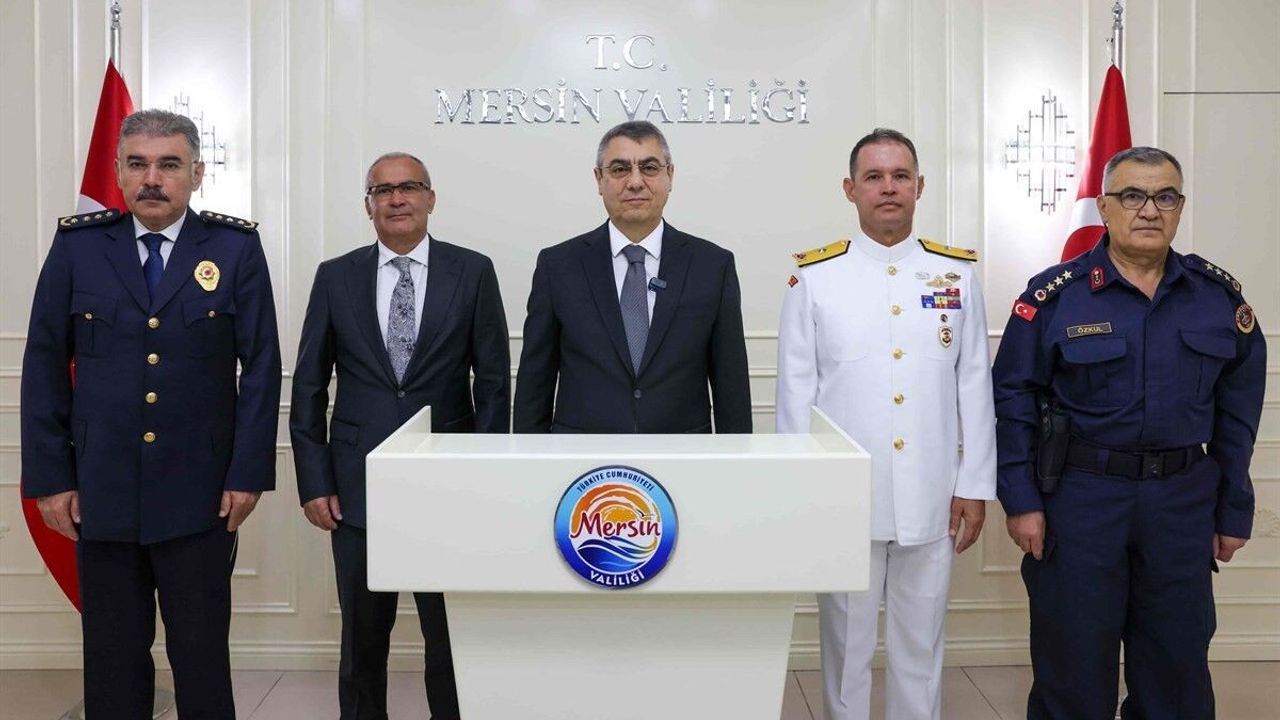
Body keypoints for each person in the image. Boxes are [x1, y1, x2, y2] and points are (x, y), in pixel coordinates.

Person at [20, 109, 281, 718]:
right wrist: (52, 478)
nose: (152, 179)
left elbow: (262, 368)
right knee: (112, 661)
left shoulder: (234, 248)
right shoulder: (79, 247)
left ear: (197, 173)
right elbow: (43, 364)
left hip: (200, 494)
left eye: (169, 165)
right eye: (137, 164)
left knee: (201, 657)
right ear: (117, 172)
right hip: (101, 491)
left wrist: (247, 474)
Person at [992, 146, 1266, 718]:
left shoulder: (1217, 299)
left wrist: (1233, 509)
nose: (1149, 210)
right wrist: (1022, 500)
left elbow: (1238, 416)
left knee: (1176, 670)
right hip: (1081, 502)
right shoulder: (1056, 296)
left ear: (1180, 207)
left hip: (1181, 504)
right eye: (1133, 195)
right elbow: (1014, 399)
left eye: (1165, 197)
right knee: (1072, 667)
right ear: (1104, 206)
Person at [776, 128, 996, 720]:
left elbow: (974, 385)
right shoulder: (815, 277)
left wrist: (974, 484)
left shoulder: (956, 275)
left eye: (900, 176)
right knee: (845, 648)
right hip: (846, 497)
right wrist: (803, 491)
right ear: (850, 189)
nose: (888, 188)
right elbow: (795, 396)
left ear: (920, 186)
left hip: (932, 493)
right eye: (873, 177)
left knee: (920, 648)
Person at [291, 151, 509, 720]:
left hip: (449, 487)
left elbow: (492, 385)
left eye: (408, 186)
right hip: (356, 490)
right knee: (363, 641)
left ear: (430, 198)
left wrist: (485, 476)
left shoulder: (473, 271)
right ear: (368, 206)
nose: (396, 199)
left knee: (450, 638)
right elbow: (309, 385)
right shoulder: (335, 277)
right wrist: (314, 481)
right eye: (381, 190)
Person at [513, 120, 750, 434]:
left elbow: (731, 386)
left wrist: (736, 459)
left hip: (683, 454)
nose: (635, 182)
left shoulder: (712, 266)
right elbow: (534, 384)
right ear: (599, 179)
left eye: (649, 168)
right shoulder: (558, 266)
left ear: (670, 175)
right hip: (581, 457)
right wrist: (529, 458)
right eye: (619, 169)